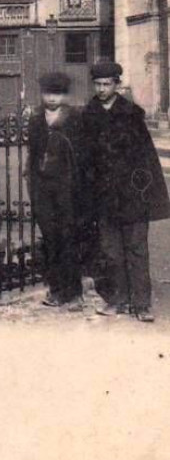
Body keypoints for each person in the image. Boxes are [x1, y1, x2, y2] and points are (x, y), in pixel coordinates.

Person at [83, 61, 170, 323]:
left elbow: (147, 158)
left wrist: (146, 196)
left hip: (132, 195)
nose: (101, 89)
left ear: (117, 84)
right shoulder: (88, 116)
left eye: (106, 84)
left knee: (137, 249)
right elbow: (84, 159)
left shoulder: (132, 115)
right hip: (104, 197)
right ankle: (118, 300)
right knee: (111, 251)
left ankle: (141, 304)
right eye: (97, 84)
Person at [26, 71, 92, 311]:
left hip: (67, 189)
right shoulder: (35, 120)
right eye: (48, 93)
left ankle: (74, 293)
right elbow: (32, 156)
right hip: (43, 189)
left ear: (64, 95)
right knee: (51, 241)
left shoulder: (75, 119)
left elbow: (83, 157)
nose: (52, 98)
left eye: (57, 93)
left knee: (68, 240)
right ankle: (56, 291)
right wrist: (33, 187)